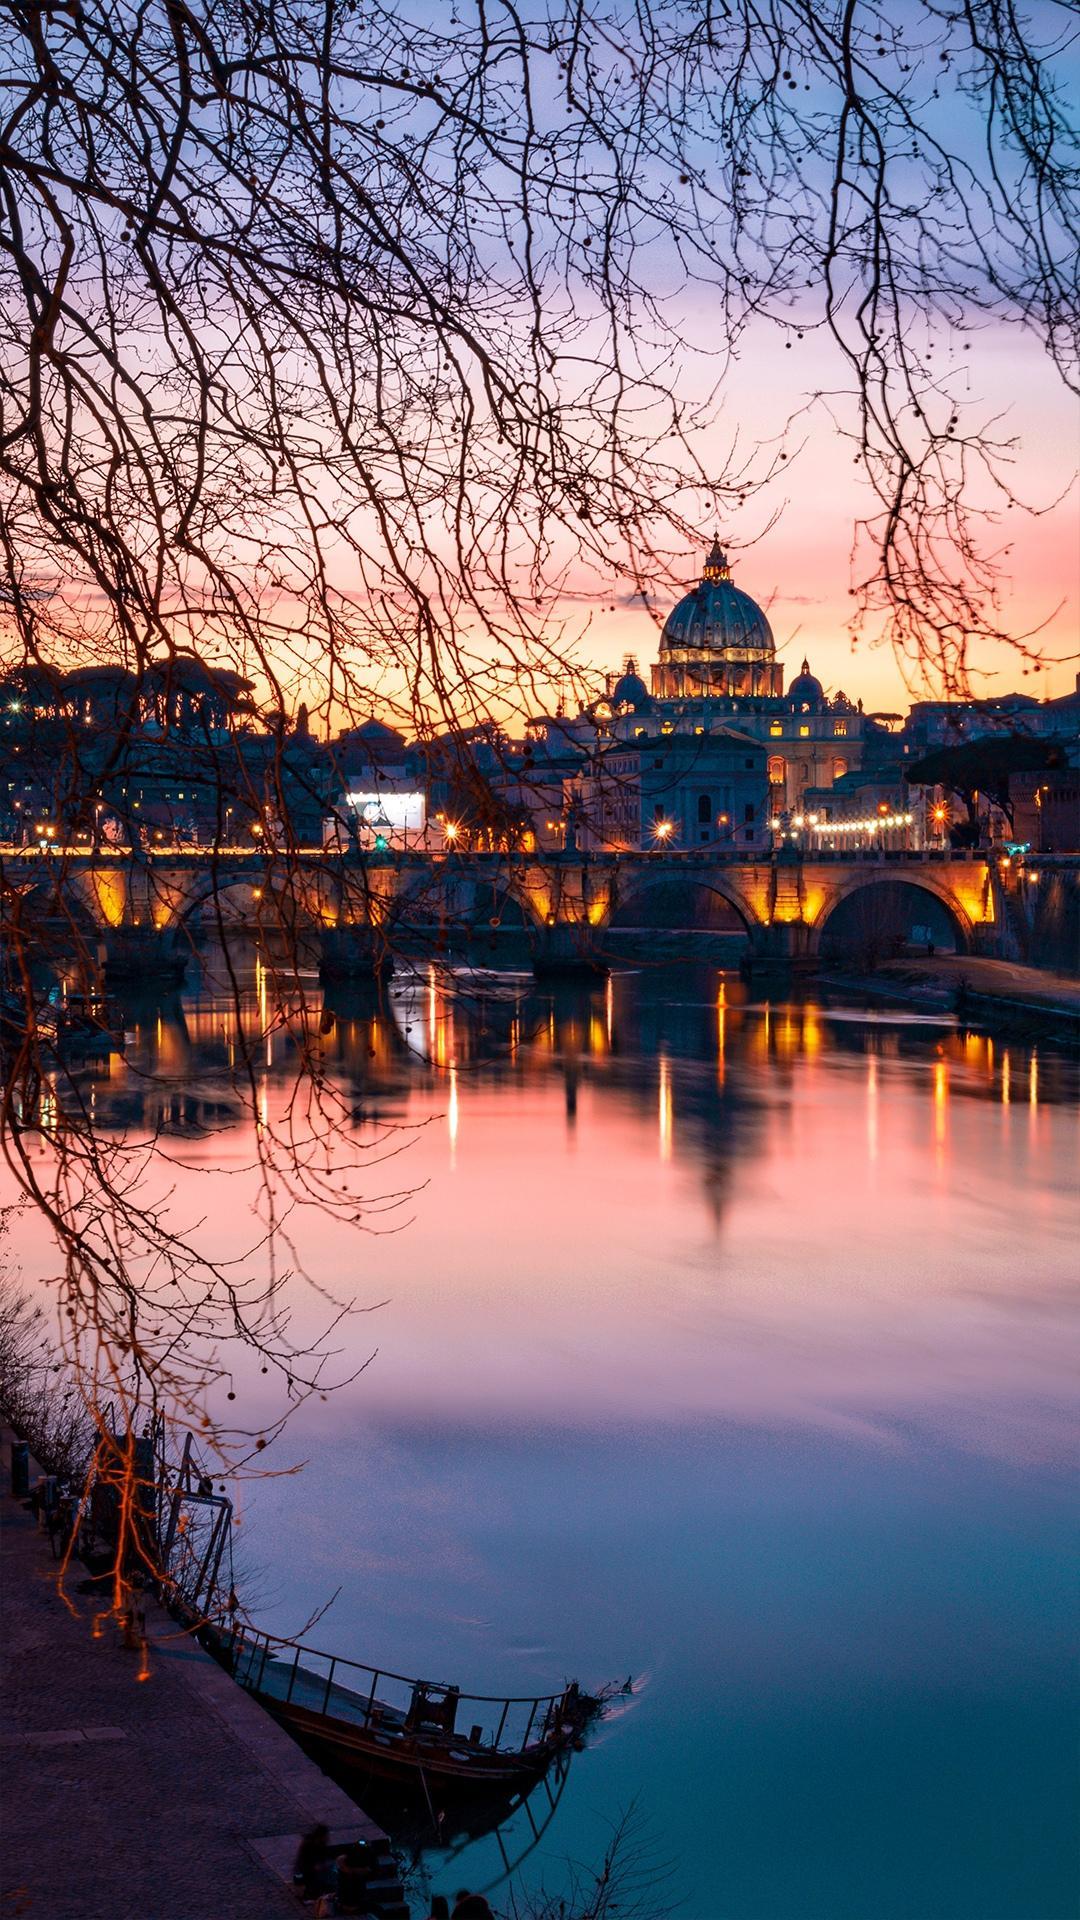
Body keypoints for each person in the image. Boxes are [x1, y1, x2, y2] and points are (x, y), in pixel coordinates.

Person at [293, 1824, 330, 1901]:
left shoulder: (321, 1843)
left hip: (312, 1866)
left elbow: (323, 1857)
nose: (327, 1837)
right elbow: (305, 1860)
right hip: (306, 1868)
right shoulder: (309, 1844)